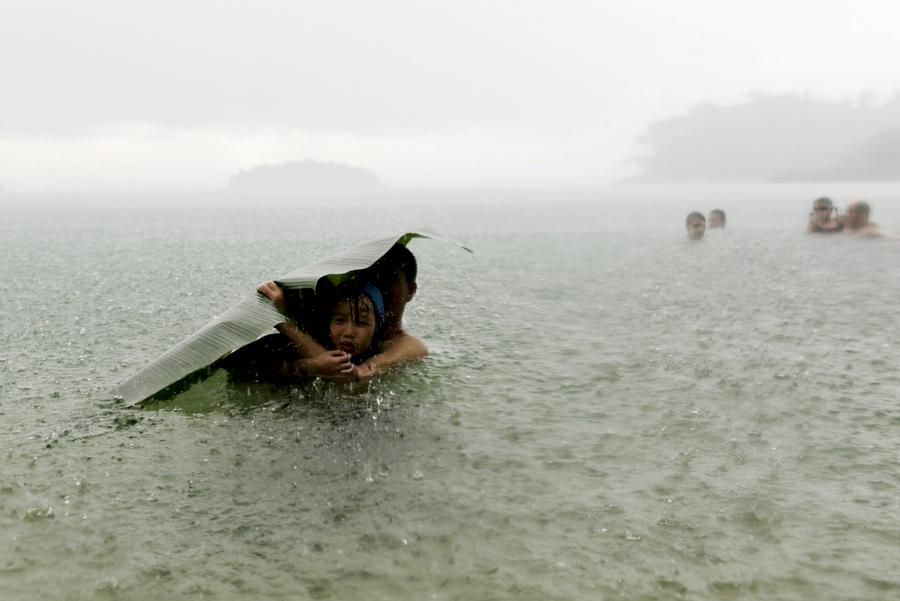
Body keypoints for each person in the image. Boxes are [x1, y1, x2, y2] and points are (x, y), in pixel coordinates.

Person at [256, 243, 428, 382]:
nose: (379, 285)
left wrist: (283, 321)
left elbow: (351, 378)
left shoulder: (408, 347)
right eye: (372, 276)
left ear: (410, 291)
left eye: (389, 279)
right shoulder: (331, 323)